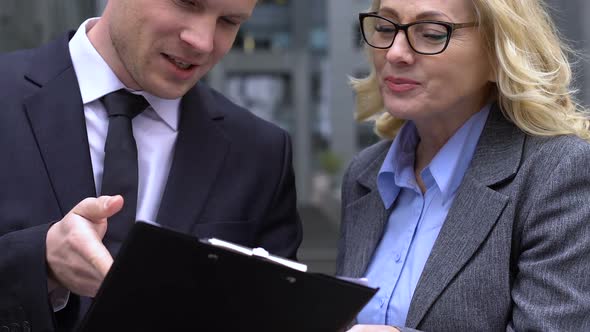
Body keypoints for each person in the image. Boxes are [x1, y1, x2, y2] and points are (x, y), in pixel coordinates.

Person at [0, 0, 303, 330]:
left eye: (229, 21)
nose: (202, 41)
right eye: (186, 3)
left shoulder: (260, 154)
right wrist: (40, 262)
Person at [337, 0, 590, 331]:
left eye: (430, 33)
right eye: (385, 28)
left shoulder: (554, 172)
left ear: (499, 51)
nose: (396, 52)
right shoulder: (365, 173)